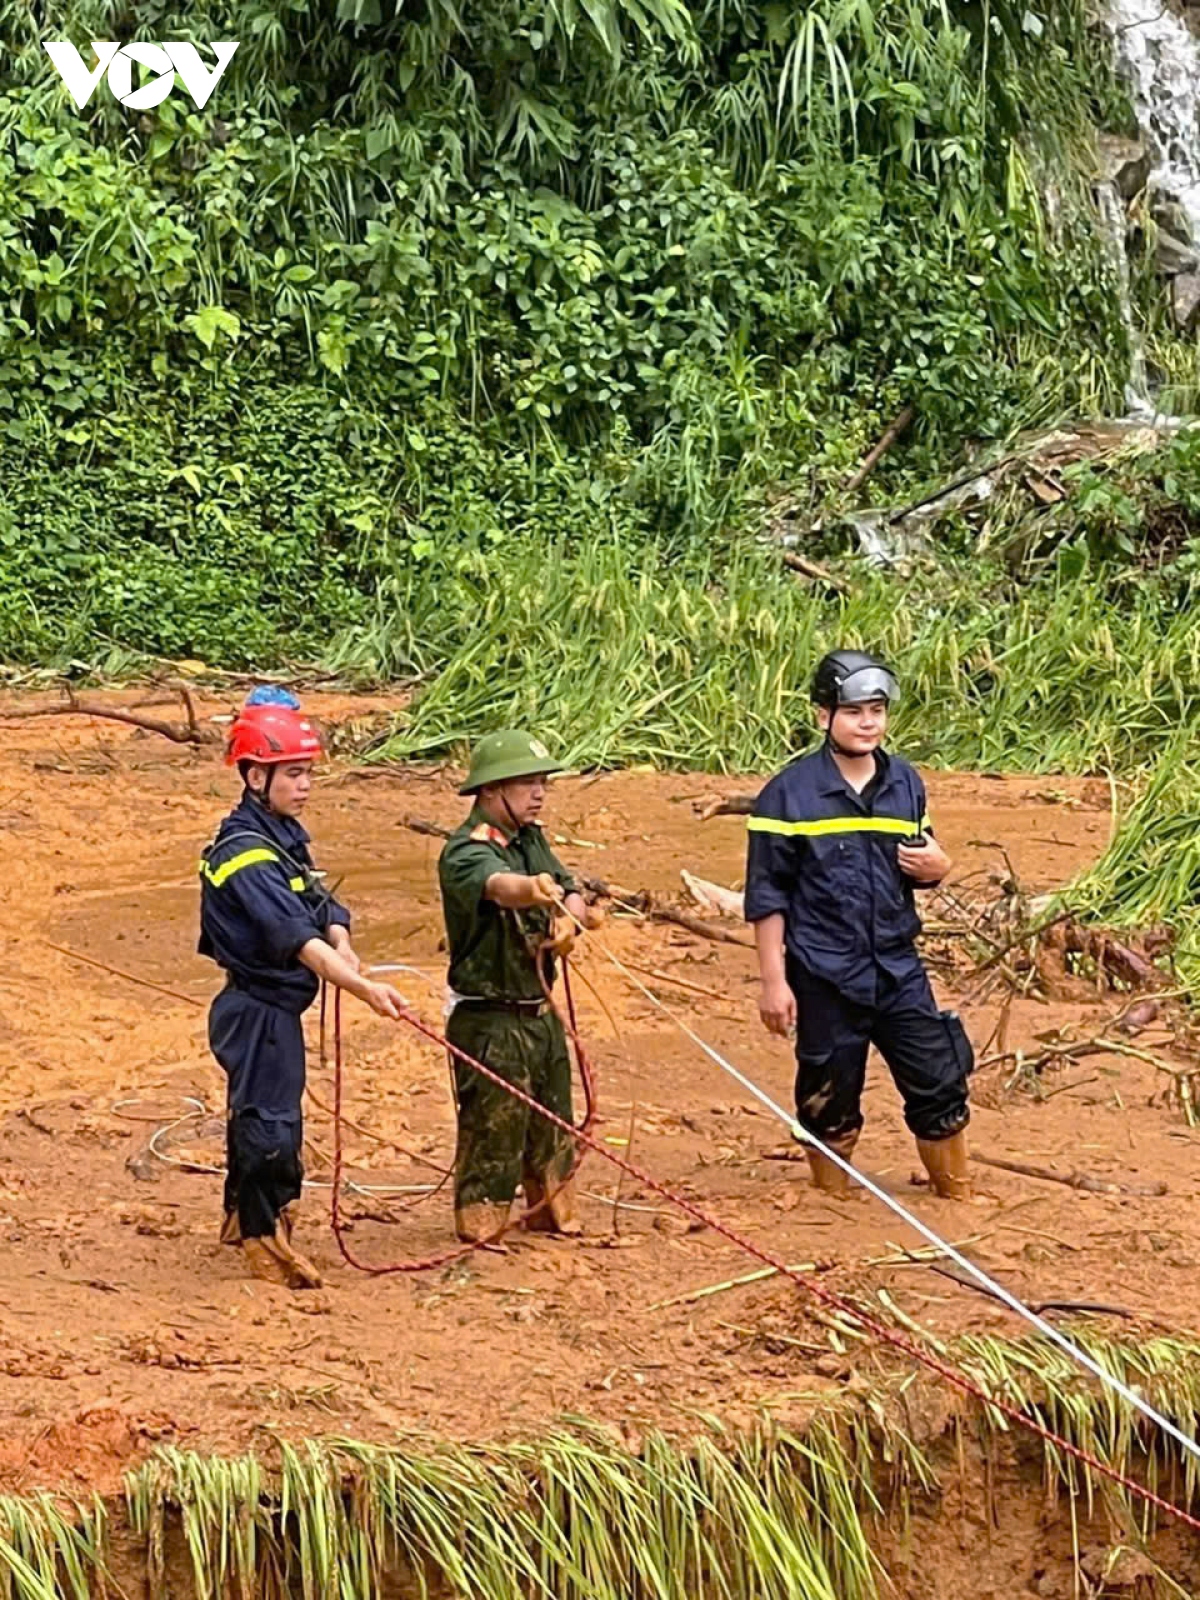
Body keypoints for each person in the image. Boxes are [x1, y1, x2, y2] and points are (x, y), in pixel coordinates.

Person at [744, 649, 975, 1200]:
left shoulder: (905, 783)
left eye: (876, 710)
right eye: (853, 712)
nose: (868, 722)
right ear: (823, 716)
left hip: (897, 967)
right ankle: (833, 1206)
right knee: (828, 1094)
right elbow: (767, 896)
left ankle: (957, 1195)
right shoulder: (787, 795)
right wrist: (774, 983)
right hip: (823, 973)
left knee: (940, 1079)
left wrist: (940, 868)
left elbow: (923, 861)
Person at [199, 701, 409, 1288]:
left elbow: (319, 908)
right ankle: (264, 1236)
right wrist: (363, 987)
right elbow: (296, 940)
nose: (305, 785)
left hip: (275, 1008)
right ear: (254, 776)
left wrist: (342, 940)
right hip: (256, 1010)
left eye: (307, 772)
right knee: (271, 1125)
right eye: (292, 773)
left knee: (260, 1113)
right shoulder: (245, 853)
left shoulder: (282, 836)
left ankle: (243, 1218)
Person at [437, 730, 598, 1244]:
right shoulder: (465, 851)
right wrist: (534, 893)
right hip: (490, 1015)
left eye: (542, 782)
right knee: (494, 1125)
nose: (539, 793)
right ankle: (481, 1225)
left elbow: (568, 887)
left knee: (553, 1119)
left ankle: (553, 1213)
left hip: (538, 1009)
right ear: (490, 792)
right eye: (526, 783)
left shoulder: (531, 839)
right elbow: (501, 887)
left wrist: (569, 917)